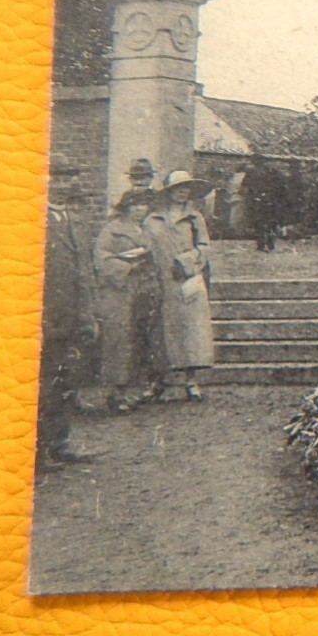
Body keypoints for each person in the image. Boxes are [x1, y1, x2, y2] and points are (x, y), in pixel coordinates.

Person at [37, 156, 99, 467]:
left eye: (67, 179)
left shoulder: (74, 222)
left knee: (64, 382)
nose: (62, 185)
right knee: (40, 384)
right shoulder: (32, 220)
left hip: (71, 318)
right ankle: (35, 453)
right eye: (56, 178)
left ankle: (59, 443)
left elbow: (84, 273)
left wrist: (87, 314)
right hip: (44, 319)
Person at [92, 188, 162, 411]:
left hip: (142, 289)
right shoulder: (112, 231)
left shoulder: (146, 230)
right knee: (119, 339)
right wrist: (126, 267)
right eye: (135, 205)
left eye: (143, 205)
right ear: (125, 207)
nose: (140, 209)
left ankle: (133, 390)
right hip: (119, 291)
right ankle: (115, 393)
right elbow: (100, 260)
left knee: (138, 338)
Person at [147, 170, 214, 400]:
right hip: (160, 281)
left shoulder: (195, 219)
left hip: (186, 281)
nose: (183, 192)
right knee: (160, 331)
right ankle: (158, 381)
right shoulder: (153, 218)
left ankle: (191, 381)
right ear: (168, 192)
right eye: (178, 188)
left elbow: (204, 247)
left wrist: (186, 262)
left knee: (191, 331)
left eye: (187, 188)